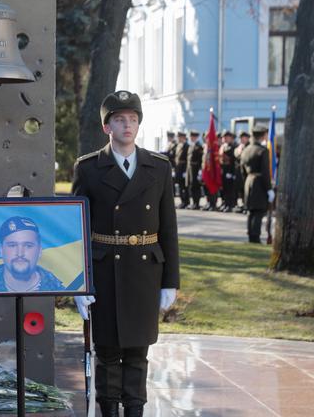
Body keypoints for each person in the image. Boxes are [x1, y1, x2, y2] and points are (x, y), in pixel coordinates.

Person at [72, 90, 179, 417]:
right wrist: (79, 283)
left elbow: (169, 228)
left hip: (145, 270)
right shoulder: (89, 168)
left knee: (137, 352)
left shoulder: (158, 167)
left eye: (132, 119)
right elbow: (77, 228)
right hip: (104, 272)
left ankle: (135, 410)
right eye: (119, 120)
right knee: (106, 352)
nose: (127, 125)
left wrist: (170, 281)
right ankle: (109, 410)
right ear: (107, 127)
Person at [0, 216, 65, 293]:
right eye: (12, 245)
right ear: (1, 250)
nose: (20, 253)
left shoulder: (58, 291)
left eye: (28, 246)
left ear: (39, 251)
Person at [240, 125, 274, 243]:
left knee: (251, 211)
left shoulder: (246, 149)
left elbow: (242, 170)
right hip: (259, 182)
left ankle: (251, 235)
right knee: (259, 211)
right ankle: (255, 236)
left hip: (248, 181)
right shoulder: (262, 151)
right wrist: (269, 189)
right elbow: (265, 172)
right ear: (263, 135)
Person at [219, 130, 237, 212]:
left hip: (230, 170)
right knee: (224, 189)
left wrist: (232, 172)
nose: (225, 139)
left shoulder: (233, 147)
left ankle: (230, 205)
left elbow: (234, 161)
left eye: (227, 137)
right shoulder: (223, 147)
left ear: (231, 138)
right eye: (224, 137)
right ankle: (225, 203)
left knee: (230, 189)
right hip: (223, 170)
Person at [186, 130, 204, 209]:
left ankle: (197, 203)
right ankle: (193, 202)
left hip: (196, 169)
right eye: (191, 137)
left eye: (193, 137)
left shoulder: (199, 146)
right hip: (190, 169)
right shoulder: (191, 146)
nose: (192, 138)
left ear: (196, 137)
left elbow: (201, 159)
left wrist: (200, 170)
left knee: (196, 186)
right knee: (191, 186)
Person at [233, 131, 250, 213]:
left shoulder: (250, 147)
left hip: (247, 172)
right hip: (239, 172)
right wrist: (240, 149)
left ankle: (247, 206)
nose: (242, 140)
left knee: (247, 190)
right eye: (241, 138)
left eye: (244, 138)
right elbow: (236, 155)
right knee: (241, 189)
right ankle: (243, 205)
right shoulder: (238, 147)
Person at [174, 131, 189, 208]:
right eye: (178, 137)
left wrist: (185, 171)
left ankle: (186, 202)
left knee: (184, 187)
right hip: (178, 168)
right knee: (180, 186)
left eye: (179, 137)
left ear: (183, 138)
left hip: (183, 168)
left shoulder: (186, 146)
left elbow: (187, 159)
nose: (178, 139)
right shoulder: (178, 145)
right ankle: (182, 201)